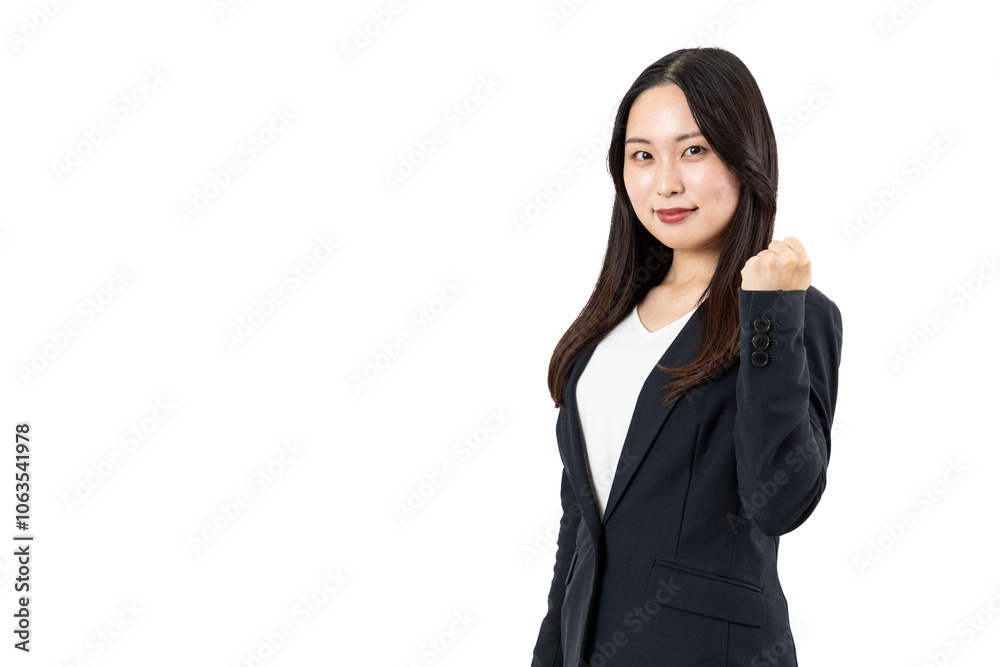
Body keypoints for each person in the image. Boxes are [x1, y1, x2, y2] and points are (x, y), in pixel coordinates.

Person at [530, 47, 843, 666]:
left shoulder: (790, 315)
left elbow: (780, 501)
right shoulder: (607, 324)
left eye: (693, 150)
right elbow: (579, 537)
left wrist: (769, 312)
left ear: (746, 156)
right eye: (642, 155)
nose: (665, 182)